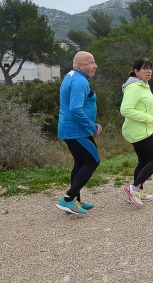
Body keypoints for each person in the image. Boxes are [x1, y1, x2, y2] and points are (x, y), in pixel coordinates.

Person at [56, 51, 102, 215]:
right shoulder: (79, 81)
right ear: (80, 65)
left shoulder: (72, 76)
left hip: (73, 129)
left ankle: (76, 200)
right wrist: (92, 126)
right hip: (76, 130)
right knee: (93, 160)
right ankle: (68, 199)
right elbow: (76, 109)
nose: (95, 66)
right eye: (91, 62)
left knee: (80, 162)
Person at [120, 58, 153, 206]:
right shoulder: (134, 87)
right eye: (145, 68)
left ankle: (137, 192)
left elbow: (142, 107)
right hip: (138, 131)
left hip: (140, 130)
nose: (149, 71)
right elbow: (125, 110)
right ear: (136, 71)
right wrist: (149, 118)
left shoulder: (144, 85)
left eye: (150, 68)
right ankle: (133, 188)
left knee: (144, 160)